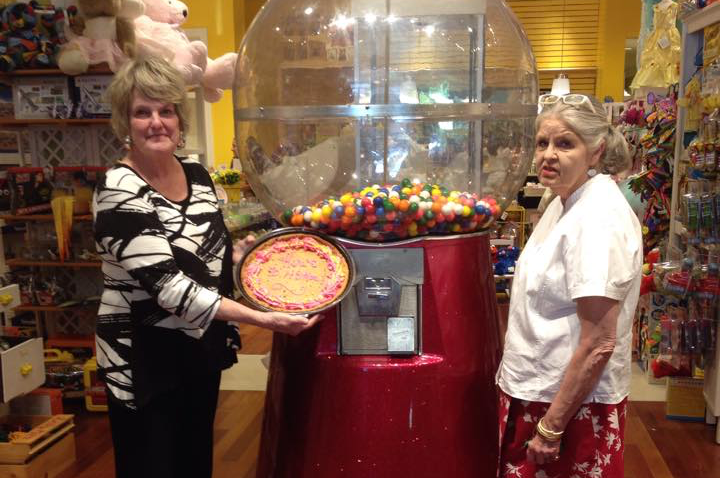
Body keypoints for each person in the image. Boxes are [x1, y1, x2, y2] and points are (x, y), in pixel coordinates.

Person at [93, 55, 321, 478]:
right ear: (125, 123)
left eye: (166, 110)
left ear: (180, 120)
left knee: (195, 457)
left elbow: (206, 250)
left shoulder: (197, 174)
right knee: (152, 463)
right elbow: (169, 287)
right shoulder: (118, 189)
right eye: (142, 112)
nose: (156, 122)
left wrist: (240, 256)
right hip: (142, 353)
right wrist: (261, 318)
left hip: (198, 345)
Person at [496, 94, 643, 478]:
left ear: (595, 152)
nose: (548, 154)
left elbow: (598, 342)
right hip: (541, 389)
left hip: (568, 406)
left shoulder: (597, 219)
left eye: (565, 144)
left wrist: (551, 427)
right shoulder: (566, 201)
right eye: (542, 143)